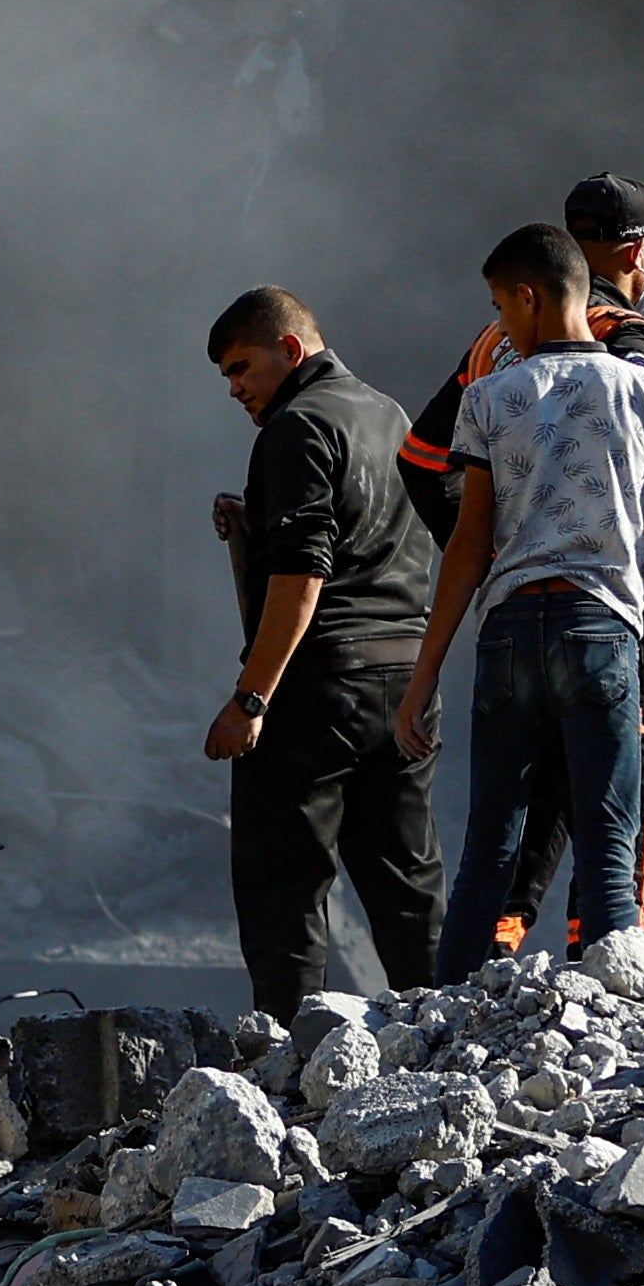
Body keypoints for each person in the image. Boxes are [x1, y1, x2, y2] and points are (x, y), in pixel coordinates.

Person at [397, 222, 644, 973]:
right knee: (606, 842)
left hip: (508, 633)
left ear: (530, 299)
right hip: (603, 630)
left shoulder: (491, 397)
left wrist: (424, 676)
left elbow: (467, 547)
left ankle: (446, 1019)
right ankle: (608, 1013)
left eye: (501, 308)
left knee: (489, 847)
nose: (500, 325)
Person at [205, 285, 445, 1016]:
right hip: (404, 680)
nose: (236, 388)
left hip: (320, 692)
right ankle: (445, 1041)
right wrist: (257, 522)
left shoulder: (295, 426)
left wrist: (252, 698)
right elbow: (380, 539)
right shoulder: (387, 414)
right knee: (408, 889)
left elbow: (306, 574)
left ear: (289, 349)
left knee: (284, 888)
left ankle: (287, 1067)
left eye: (242, 368)